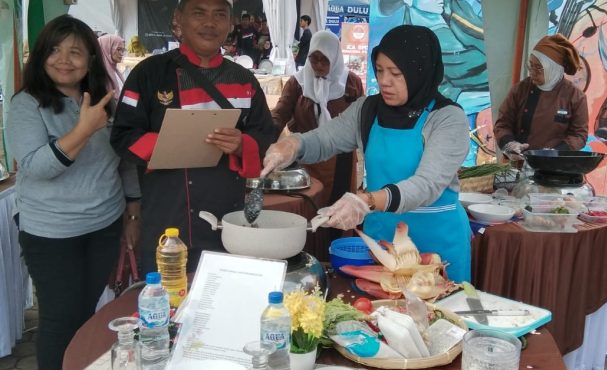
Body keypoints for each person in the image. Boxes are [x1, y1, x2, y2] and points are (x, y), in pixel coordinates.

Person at [263, 25, 472, 283]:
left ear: (420, 72)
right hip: (382, 242)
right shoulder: (368, 109)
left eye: (396, 73)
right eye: (381, 70)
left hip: (437, 244)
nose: (384, 81)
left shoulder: (448, 118)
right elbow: (326, 138)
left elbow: (427, 184)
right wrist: (293, 145)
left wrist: (366, 201)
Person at [6, 15, 140, 370]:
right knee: (58, 320)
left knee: (85, 317)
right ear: (41, 57)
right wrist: (83, 129)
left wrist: (133, 211)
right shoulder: (27, 104)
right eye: (54, 50)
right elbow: (35, 169)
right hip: (51, 233)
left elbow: (124, 161)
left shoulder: (104, 101)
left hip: (103, 225)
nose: (64, 60)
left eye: (75, 52)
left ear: (90, 60)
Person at [111, 0, 277, 273]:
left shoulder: (244, 79)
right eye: (199, 13)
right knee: (168, 302)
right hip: (167, 218)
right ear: (179, 19)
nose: (209, 23)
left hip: (228, 220)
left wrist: (242, 145)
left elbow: (265, 136)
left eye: (219, 15)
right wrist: (169, 143)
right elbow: (122, 136)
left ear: (230, 22)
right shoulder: (148, 74)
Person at [271, 30, 364, 207]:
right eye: (314, 59)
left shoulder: (350, 83)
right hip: (306, 156)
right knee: (308, 205)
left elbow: (362, 118)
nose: (319, 65)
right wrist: (265, 136)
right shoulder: (298, 83)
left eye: (325, 60)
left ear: (335, 57)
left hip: (341, 160)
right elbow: (279, 114)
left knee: (338, 209)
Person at [493, 34, 588, 154]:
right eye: (531, 66)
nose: (532, 72)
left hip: (554, 167)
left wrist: (555, 152)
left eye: (538, 68)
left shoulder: (575, 96)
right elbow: (502, 124)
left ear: (554, 68)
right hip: (518, 161)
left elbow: (579, 135)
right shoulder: (521, 89)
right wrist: (510, 144)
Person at [97, 33, 126, 98]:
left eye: (123, 50)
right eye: (118, 49)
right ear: (107, 48)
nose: (122, 54)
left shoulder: (115, 70)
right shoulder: (99, 75)